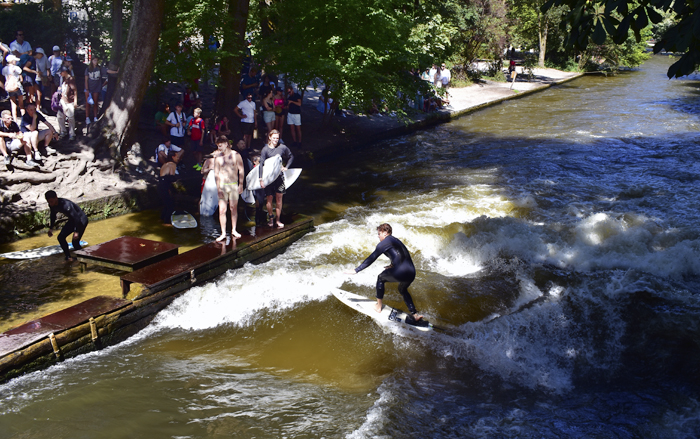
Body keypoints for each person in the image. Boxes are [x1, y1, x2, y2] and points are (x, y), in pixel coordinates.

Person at [348, 223, 422, 321]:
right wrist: (392, 265)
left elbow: (372, 258)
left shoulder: (384, 243)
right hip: (411, 272)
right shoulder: (396, 241)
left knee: (380, 278)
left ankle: (378, 307)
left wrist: (356, 270)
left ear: (385, 233)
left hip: (401, 271)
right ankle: (415, 314)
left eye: (379, 234)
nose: (378, 236)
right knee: (402, 290)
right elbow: (401, 255)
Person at [258, 129, 293, 228]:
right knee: (269, 198)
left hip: (279, 177)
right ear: (269, 137)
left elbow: (291, 156)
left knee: (279, 198)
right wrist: (261, 179)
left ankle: (278, 220)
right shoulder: (265, 150)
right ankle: (271, 219)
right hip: (269, 178)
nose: (276, 140)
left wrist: (286, 167)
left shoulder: (282, 147)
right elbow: (261, 164)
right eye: (274, 138)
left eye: (277, 138)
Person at [214, 135, 244, 241]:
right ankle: (223, 233)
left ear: (226, 144)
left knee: (233, 208)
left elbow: (241, 170)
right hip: (222, 185)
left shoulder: (236, 155)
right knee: (222, 210)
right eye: (218, 145)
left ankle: (234, 229)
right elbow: (216, 174)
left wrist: (241, 185)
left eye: (220, 145)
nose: (219, 147)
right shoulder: (217, 158)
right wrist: (218, 189)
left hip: (233, 185)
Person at [45, 190, 88, 262]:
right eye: (49, 202)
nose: (50, 204)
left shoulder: (66, 205)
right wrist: (51, 228)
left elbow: (77, 218)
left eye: (51, 201)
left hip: (81, 220)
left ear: (56, 197)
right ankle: (68, 257)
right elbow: (53, 215)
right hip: (72, 220)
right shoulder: (51, 205)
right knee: (60, 237)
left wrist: (76, 231)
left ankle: (85, 258)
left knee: (75, 242)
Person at [57, 66, 77, 140]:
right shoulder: (63, 79)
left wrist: (75, 101)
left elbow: (75, 91)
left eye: (61, 72)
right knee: (60, 116)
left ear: (65, 72)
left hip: (69, 102)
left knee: (70, 117)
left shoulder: (71, 79)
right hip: (63, 101)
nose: (60, 74)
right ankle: (63, 131)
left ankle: (72, 133)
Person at [84, 56, 106, 124]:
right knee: (88, 103)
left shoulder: (99, 68)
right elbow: (86, 80)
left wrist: (116, 71)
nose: (95, 62)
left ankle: (95, 117)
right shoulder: (88, 69)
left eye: (96, 60)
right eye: (94, 60)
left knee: (95, 102)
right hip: (89, 88)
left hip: (96, 88)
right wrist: (87, 89)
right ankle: (87, 118)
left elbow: (107, 70)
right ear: (92, 61)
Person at [3, 54, 24, 121]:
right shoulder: (16, 68)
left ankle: (15, 119)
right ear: (12, 61)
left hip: (10, 88)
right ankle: (23, 118)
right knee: (21, 104)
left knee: (13, 104)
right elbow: (21, 79)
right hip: (17, 87)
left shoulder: (4, 69)